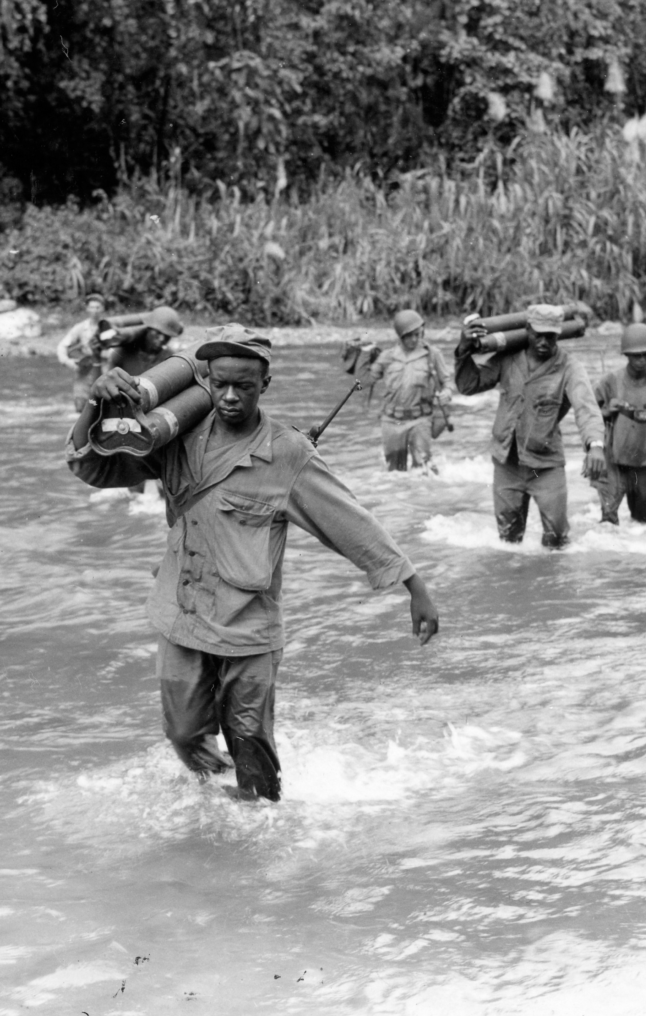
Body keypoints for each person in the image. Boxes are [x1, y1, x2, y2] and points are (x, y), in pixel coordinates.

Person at [65, 324, 441, 802]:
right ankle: (222, 814)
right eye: (218, 384)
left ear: (264, 385)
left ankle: (260, 828)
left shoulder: (286, 453)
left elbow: (349, 521)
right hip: (182, 615)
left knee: (252, 748)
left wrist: (414, 585)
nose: (228, 397)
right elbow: (92, 467)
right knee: (182, 734)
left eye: (242, 386)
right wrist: (94, 406)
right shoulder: (176, 436)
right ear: (205, 382)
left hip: (247, 630)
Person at [454, 303, 608, 548]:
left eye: (551, 336)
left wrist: (596, 445)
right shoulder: (507, 359)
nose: (544, 342)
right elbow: (468, 386)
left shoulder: (569, 367)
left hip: (544, 466)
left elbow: (586, 408)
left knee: (557, 538)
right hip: (507, 463)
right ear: (527, 330)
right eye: (538, 335)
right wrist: (463, 350)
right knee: (508, 541)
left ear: (559, 334)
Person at [593, 323, 646, 525]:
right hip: (615, 461)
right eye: (635, 355)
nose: (641, 360)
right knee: (608, 522)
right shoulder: (609, 382)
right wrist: (606, 411)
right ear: (626, 355)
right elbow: (589, 418)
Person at [360, 309, 452, 472]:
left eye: (418, 334)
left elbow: (447, 381)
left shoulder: (432, 354)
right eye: (410, 335)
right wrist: (364, 355)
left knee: (424, 469)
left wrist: (447, 392)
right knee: (394, 472)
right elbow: (363, 382)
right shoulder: (387, 357)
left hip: (420, 420)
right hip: (391, 421)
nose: (415, 339)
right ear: (400, 336)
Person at [56, 293, 109, 411]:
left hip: (103, 373)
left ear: (103, 309)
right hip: (84, 374)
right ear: (87, 309)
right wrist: (68, 362)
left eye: (97, 307)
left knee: (101, 409)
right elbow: (62, 346)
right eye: (92, 307)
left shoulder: (109, 327)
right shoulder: (80, 328)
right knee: (81, 408)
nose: (94, 311)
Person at [103, 305, 184, 377]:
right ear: (148, 329)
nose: (162, 339)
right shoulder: (124, 352)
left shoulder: (170, 357)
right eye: (158, 333)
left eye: (167, 336)